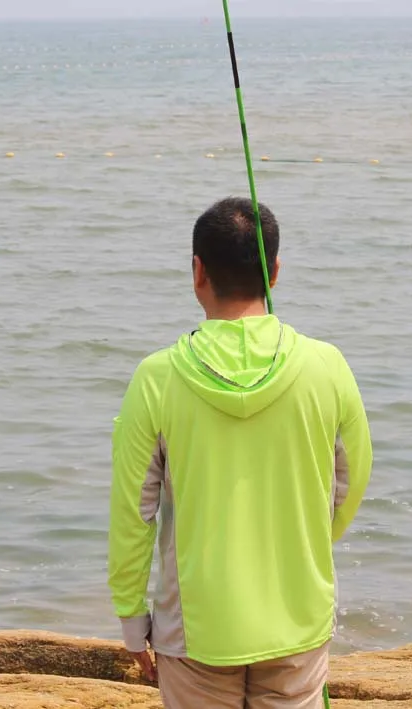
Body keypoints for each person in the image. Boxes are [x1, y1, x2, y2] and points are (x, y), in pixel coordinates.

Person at [108, 197, 373, 708]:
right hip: (299, 615)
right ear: (275, 271)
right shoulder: (328, 365)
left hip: (194, 630)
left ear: (197, 271)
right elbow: (351, 479)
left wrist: (131, 614)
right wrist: (306, 544)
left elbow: (132, 510)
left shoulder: (156, 378)